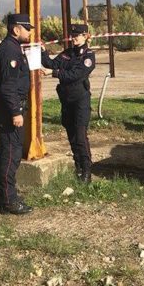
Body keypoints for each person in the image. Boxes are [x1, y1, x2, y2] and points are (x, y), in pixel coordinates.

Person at [41, 23, 97, 183]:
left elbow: (76, 74)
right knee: (71, 136)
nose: (74, 38)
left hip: (80, 101)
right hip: (66, 100)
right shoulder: (67, 53)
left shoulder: (88, 56)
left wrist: (55, 73)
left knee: (80, 136)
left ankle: (86, 171)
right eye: (73, 35)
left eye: (78, 35)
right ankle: (78, 167)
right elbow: (51, 64)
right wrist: (43, 51)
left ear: (86, 36)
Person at [0, 13, 34, 215]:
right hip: (9, 108)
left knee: (7, 151)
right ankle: (8, 201)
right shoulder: (10, 50)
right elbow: (8, 86)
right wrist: (16, 112)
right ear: (16, 29)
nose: (29, 31)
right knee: (11, 153)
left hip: (9, 106)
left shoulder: (14, 47)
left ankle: (5, 197)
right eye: (27, 28)